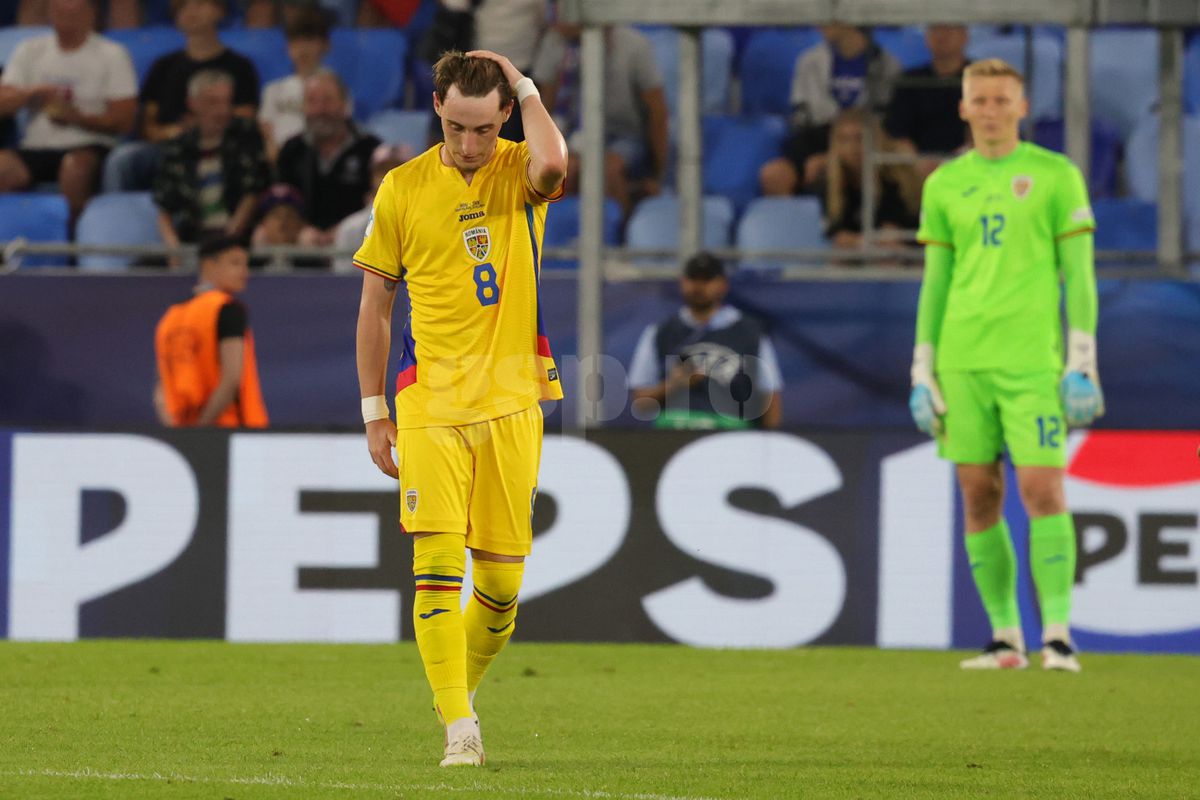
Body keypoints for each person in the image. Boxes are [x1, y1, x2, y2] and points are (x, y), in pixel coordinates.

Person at [353, 50, 566, 767]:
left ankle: (455, 696)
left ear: (504, 115)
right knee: (436, 568)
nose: (468, 145)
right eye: (453, 127)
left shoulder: (519, 172)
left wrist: (529, 86)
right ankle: (459, 731)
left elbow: (556, 163)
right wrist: (374, 408)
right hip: (429, 401)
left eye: (481, 128)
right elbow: (376, 303)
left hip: (512, 400)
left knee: (502, 590)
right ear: (436, 110)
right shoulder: (403, 187)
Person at [910, 58, 1103, 673]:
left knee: (1042, 487)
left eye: (1001, 99)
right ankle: (1004, 638)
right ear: (963, 108)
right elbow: (936, 283)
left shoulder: (1054, 176)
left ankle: (1059, 635)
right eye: (979, 100)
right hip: (964, 361)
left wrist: (1082, 360)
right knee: (977, 493)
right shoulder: (943, 184)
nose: (990, 110)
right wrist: (923, 367)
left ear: (1022, 107)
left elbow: (1080, 275)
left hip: (1030, 362)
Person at [0, 0, 137, 224]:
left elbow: (124, 121)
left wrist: (76, 118)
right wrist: (34, 92)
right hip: (37, 147)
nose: (66, 18)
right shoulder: (29, 50)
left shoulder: (112, 54)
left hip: (91, 144)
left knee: (75, 170)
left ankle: (74, 242)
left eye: (73, 12)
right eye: (59, 11)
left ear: (91, 14)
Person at [103, 0, 260, 193]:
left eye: (199, 4)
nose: (191, 11)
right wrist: (179, 132)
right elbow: (148, 128)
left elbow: (245, 118)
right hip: (170, 148)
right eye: (183, 6)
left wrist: (205, 129)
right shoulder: (163, 67)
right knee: (123, 159)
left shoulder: (240, 67)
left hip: (222, 148)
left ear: (220, 10)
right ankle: (114, 218)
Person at [628, 252, 783, 429]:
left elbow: (770, 397)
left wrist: (770, 443)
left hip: (731, 435)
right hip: (674, 433)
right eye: (693, 279)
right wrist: (674, 384)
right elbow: (641, 404)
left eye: (707, 279)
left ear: (723, 285)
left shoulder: (751, 333)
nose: (699, 286)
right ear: (682, 283)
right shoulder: (659, 333)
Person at [532, 22, 668, 215]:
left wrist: (657, 174)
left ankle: (618, 235)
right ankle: (562, 236)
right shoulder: (554, 43)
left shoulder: (635, 45)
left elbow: (658, 112)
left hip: (624, 136)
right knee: (562, 172)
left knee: (608, 170)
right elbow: (544, 108)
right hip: (571, 131)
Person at [760, 25, 900, 198]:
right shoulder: (808, 62)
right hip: (819, 139)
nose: (821, 21)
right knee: (775, 174)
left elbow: (887, 122)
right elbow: (802, 121)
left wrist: (834, 158)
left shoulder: (887, 64)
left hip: (868, 142)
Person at [154, 235, 269, 428]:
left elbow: (161, 390)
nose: (245, 272)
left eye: (245, 264)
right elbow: (232, 378)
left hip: (181, 430)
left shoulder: (171, 317)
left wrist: (180, 432)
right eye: (235, 263)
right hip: (233, 429)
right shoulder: (227, 309)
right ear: (208, 264)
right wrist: (202, 428)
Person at [154, 70, 270, 251]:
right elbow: (165, 207)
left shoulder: (246, 135)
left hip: (239, 237)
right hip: (194, 237)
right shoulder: (178, 147)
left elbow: (254, 190)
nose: (222, 111)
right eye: (213, 102)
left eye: (227, 101)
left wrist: (229, 237)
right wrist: (173, 247)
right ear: (192, 104)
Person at [276, 70, 381, 248]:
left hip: (357, 241)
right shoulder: (291, 150)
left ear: (345, 105)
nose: (320, 109)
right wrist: (302, 229)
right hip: (301, 242)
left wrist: (343, 230)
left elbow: (380, 201)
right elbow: (281, 201)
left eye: (328, 100)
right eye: (313, 101)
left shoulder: (371, 149)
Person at [812, 109, 919, 250]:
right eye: (844, 140)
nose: (852, 147)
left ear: (876, 140)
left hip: (902, 258)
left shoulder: (897, 180)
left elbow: (894, 234)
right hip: (855, 258)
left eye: (859, 138)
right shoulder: (829, 185)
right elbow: (837, 235)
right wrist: (861, 242)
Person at [884, 24, 971, 179]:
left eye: (949, 28)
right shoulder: (909, 80)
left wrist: (950, 164)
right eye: (935, 29)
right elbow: (896, 133)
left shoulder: (981, 79)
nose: (941, 35)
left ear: (965, 36)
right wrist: (918, 163)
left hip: (968, 165)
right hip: (916, 169)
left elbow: (986, 131)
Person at [258, 6, 333, 162]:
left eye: (310, 40)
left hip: (319, 162)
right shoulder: (273, 90)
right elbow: (266, 130)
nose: (303, 48)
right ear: (287, 47)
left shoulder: (334, 88)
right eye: (296, 42)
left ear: (325, 45)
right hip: (281, 161)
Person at [332, 142, 413, 272]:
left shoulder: (429, 220)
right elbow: (344, 279)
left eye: (398, 170)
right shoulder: (351, 228)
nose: (390, 177)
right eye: (383, 171)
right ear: (372, 176)